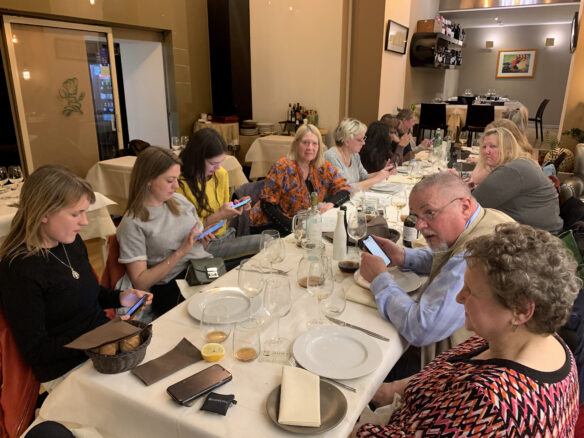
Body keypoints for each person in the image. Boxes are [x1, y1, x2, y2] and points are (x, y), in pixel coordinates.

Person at [357, 223, 581, 437]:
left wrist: (351, 425)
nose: (459, 297)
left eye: (471, 291)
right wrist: (387, 390)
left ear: (521, 310)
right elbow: (445, 375)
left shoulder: (489, 404)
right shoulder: (533, 339)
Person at [0, 165, 152, 387]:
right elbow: (37, 351)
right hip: (66, 369)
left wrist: (120, 298)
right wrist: (99, 337)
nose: (85, 222)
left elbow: (86, 293)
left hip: (103, 347)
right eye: (75, 214)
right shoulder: (19, 269)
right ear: (43, 213)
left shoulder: (69, 242)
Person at [360, 172, 513, 374]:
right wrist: (404, 256)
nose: (419, 225)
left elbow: (420, 327)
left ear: (464, 207)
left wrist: (380, 279)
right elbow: (449, 253)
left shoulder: (476, 255)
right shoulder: (487, 217)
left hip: (456, 370)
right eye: (416, 216)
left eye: (430, 213)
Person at [117, 146, 212, 317]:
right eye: (170, 181)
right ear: (148, 180)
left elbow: (198, 246)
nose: (176, 186)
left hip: (202, 268)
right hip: (172, 285)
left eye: (177, 179)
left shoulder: (178, 201)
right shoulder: (133, 223)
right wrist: (181, 252)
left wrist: (203, 240)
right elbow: (140, 281)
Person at [249, 124, 351, 235]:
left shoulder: (322, 167)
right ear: (296, 144)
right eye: (305, 143)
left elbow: (344, 189)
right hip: (270, 225)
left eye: (314, 144)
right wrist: (292, 227)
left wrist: (331, 203)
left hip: (301, 224)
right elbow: (267, 205)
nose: (310, 148)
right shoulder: (282, 167)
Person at [177, 128, 261, 261]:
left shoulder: (220, 174)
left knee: (269, 241)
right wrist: (220, 214)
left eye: (221, 162)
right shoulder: (179, 184)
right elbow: (184, 233)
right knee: (266, 241)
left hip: (225, 235)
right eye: (213, 163)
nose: (217, 168)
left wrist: (234, 210)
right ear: (196, 159)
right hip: (200, 245)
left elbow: (224, 219)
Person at [472, 127, 563, 233]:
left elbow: (472, 206)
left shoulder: (512, 170)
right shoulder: (521, 163)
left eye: (493, 146)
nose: (486, 151)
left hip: (540, 241)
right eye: (484, 147)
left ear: (507, 148)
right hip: (542, 234)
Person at [324, 118, 393, 191]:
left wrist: (382, 173)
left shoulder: (354, 155)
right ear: (347, 141)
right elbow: (344, 189)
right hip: (336, 201)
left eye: (364, 138)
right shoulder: (331, 156)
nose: (364, 143)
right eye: (360, 140)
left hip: (352, 199)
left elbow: (364, 177)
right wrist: (377, 179)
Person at [467, 119, 533, 185]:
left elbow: (475, 179)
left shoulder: (513, 166)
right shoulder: (521, 156)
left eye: (492, 145)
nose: (487, 150)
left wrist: (483, 160)